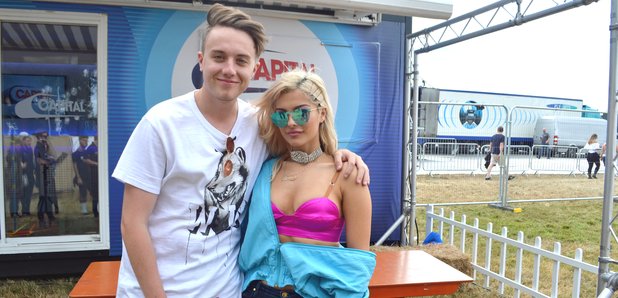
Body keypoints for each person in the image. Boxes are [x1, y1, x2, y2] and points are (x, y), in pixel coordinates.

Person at [111, 4, 369, 297]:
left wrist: (342, 155)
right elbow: (132, 223)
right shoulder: (160, 124)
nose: (229, 69)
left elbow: (304, 153)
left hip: (230, 290)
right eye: (218, 57)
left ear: (254, 68)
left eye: (241, 60)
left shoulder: (258, 126)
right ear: (201, 61)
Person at [239, 69, 375, 297]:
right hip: (257, 290)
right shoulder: (265, 170)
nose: (291, 122)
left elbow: (357, 267)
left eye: (301, 113)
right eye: (281, 115)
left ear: (322, 113)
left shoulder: (347, 174)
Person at [34, 131, 66, 227]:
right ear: (39, 137)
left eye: (46, 137)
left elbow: (49, 158)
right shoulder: (38, 147)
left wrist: (52, 160)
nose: (46, 138)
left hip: (47, 174)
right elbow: (40, 161)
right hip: (42, 174)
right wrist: (50, 161)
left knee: (48, 196)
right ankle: (41, 217)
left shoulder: (44, 147)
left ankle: (50, 214)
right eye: (44, 137)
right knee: (43, 197)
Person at [72, 136, 91, 215]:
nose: (86, 142)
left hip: (88, 175)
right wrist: (78, 177)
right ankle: (84, 209)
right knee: (82, 192)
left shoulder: (87, 152)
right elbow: (75, 165)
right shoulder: (76, 153)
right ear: (80, 141)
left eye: (87, 141)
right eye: (84, 140)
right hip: (81, 175)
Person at [5, 136, 23, 218]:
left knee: (17, 195)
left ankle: (15, 211)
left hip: (18, 178)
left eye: (20, 145)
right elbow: (9, 160)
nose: (19, 146)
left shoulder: (18, 153)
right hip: (12, 178)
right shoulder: (11, 153)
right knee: (13, 196)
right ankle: (13, 212)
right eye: (17, 145)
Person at [20, 133, 35, 216]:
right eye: (28, 141)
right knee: (25, 192)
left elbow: (31, 161)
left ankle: (27, 210)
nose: (29, 142)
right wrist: (21, 164)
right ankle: (24, 210)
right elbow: (19, 160)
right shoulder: (20, 149)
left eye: (30, 141)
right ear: (23, 141)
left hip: (30, 174)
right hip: (24, 174)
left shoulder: (30, 149)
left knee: (29, 192)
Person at [84, 136, 99, 218]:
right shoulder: (91, 148)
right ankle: (95, 212)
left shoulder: (100, 147)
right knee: (95, 194)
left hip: (100, 176)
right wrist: (97, 164)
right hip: (93, 175)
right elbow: (86, 160)